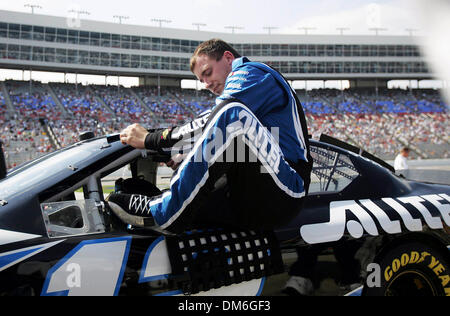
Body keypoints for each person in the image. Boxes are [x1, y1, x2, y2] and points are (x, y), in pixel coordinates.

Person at [107, 39, 312, 234]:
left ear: (228, 58)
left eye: (207, 72)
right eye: (201, 80)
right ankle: (156, 200)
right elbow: (213, 130)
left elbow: (215, 121)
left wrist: (152, 139)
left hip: (287, 190)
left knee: (230, 113)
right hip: (250, 192)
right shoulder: (241, 97)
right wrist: (184, 152)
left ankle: (164, 213)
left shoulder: (253, 72)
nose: (206, 84)